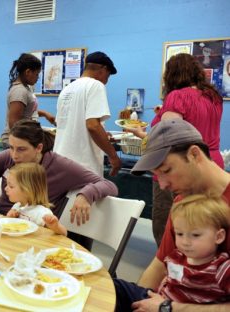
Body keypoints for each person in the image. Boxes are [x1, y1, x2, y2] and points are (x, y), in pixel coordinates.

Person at [0, 119, 118, 226]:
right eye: (11, 147)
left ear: (39, 147)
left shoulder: (61, 166)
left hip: (30, 228)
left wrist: (86, 195)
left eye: (21, 149)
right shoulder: (7, 156)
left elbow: (109, 185)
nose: (14, 155)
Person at [122, 119, 230, 312]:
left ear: (194, 154)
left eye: (166, 171)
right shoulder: (183, 201)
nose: (162, 185)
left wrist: (168, 307)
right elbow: (160, 264)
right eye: (157, 175)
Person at [128, 53, 224, 246]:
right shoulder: (213, 97)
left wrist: (140, 134)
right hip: (211, 163)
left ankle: (170, 264)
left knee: (169, 228)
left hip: (180, 165)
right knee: (204, 226)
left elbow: (166, 141)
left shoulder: (177, 96)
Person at [114, 194, 230, 311]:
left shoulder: (222, 268)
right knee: (115, 287)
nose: (185, 242)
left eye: (195, 235)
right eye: (179, 234)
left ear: (219, 236)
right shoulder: (176, 256)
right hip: (160, 300)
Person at [53, 51, 121, 177]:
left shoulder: (66, 89)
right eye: (108, 76)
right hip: (82, 166)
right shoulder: (96, 85)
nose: (106, 81)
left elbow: (69, 125)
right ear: (103, 69)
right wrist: (113, 156)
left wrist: (102, 133)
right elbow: (92, 126)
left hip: (59, 160)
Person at [0, 53, 55, 146]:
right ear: (28, 72)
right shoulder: (19, 91)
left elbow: (26, 113)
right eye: (37, 74)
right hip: (16, 142)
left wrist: (44, 114)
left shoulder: (26, 89)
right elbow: (14, 123)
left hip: (22, 139)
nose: (38, 78)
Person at [5, 163, 67, 235]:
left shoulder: (41, 212)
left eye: (11, 186)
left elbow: (64, 233)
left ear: (27, 190)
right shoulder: (17, 205)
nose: (6, 188)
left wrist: (55, 226)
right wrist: (10, 217)